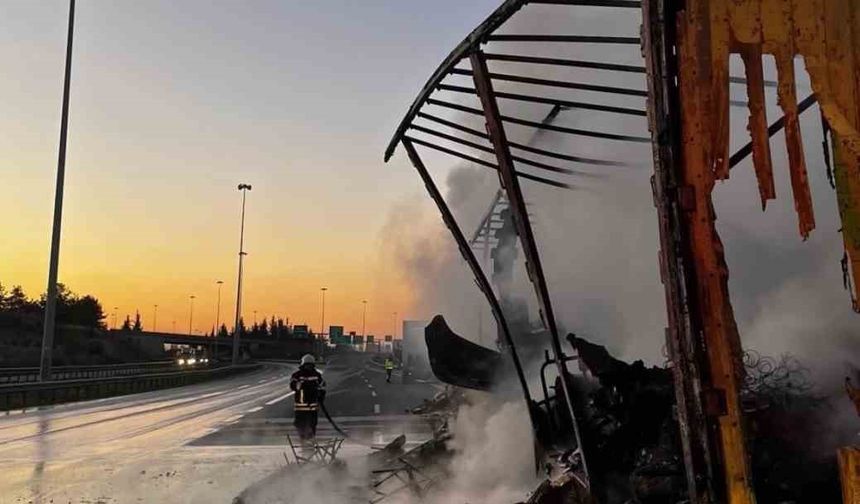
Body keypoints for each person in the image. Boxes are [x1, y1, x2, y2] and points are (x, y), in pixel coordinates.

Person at [290, 354, 326, 441]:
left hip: (308, 408)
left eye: (309, 365)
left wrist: (321, 395)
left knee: (309, 427)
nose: (308, 367)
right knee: (302, 426)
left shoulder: (315, 375)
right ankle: (306, 442)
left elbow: (322, 387)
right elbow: (293, 386)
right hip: (303, 408)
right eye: (307, 365)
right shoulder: (298, 375)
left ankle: (309, 443)